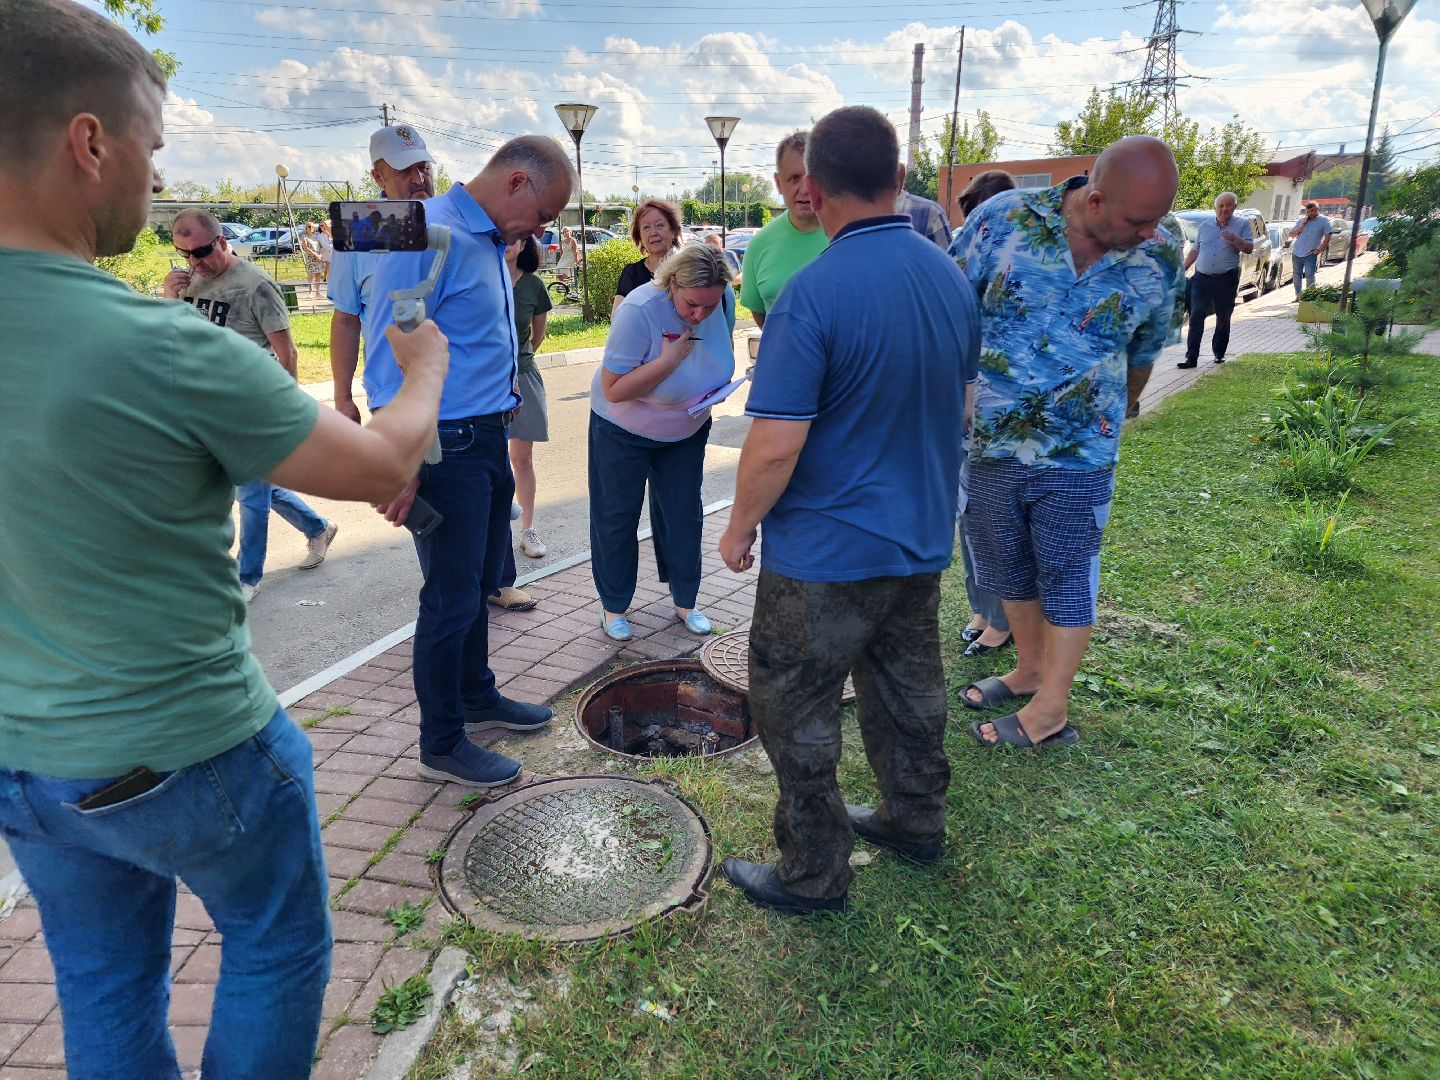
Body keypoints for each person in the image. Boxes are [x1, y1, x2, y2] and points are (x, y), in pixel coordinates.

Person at [0, 3, 451, 1075]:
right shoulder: (159, 344)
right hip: (189, 747)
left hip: (26, 762)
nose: (157, 180)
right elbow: (381, 467)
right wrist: (425, 366)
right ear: (90, 142)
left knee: (103, 985)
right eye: (152, 145)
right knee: (274, 940)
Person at [715, 105, 981, 915]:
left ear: (815, 190)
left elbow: (772, 445)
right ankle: (913, 818)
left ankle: (814, 873)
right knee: (908, 691)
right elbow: (964, 407)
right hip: (921, 538)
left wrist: (736, 527)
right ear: (899, 181)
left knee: (792, 706)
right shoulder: (950, 278)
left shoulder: (812, 295)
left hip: (826, 555)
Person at [950, 136, 1183, 749]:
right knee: (1005, 561)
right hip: (993, 438)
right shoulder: (1002, 221)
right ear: (1096, 198)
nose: (1149, 232)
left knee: (1067, 568)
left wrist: (1123, 406)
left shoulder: (1157, 256)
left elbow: (1145, 351)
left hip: (1082, 449)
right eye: (1137, 220)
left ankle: (1050, 708)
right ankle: (1029, 669)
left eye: (1157, 219)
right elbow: (946, 308)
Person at [367, 135, 576, 788]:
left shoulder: (485, 240)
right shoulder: (425, 231)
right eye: (543, 214)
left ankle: (478, 695)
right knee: (450, 598)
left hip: (485, 437)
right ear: (516, 182)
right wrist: (399, 458)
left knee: (479, 587)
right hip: (445, 446)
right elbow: (391, 346)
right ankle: (442, 742)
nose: (542, 229)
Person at [328, 125, 536, 612]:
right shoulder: (369, 227)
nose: (418, 177)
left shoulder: (452, 220)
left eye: (424, 166)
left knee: (486, 503)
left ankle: (494, 584)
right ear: (377, 174)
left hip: (471, 401)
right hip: (410, 399)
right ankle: (457, 610)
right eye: (404, 170)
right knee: (446, 554)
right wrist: (344, 395)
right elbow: (347, 318)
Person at [163, 208, 338, 603]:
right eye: (184, 253)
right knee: (250, 485)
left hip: (254, 407)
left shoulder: (255, 285)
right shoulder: (188, 283)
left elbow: (288, 352)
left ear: (223, 241)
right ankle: (318, 527)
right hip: (206, 406)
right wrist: (170, 298)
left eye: (203, 251)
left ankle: (248, 576)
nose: (195, 261)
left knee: (251, 494)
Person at [590, 244, 736, 642]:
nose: (700, 315)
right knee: (616, 516)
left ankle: (686, 600)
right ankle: (614, 607)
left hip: (686, 428)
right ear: (672, 283)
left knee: (684, 514)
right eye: (692, 305)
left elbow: (721, 351)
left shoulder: (720, 299)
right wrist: (668, 362)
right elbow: (614, 389)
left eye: (710, 305)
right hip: (623, 429)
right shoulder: (640, 310)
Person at [953, 169, 1018, 659]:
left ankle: (1001, 620)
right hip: (964, 400)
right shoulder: (968, 248)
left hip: (997, 405)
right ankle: (982, 609)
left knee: (992, 519)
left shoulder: (1020, 258)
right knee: (968, 516)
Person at [739, 132, 829, 328]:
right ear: (779, 183)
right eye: (795, 178)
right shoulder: (759, 245)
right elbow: (760, 314)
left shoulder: (849, 236)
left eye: (812, 177)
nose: (805, 189)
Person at [506, 235, 553, 559]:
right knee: (488, 460)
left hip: (523, 374)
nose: (508, 242)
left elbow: (537, 336)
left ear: (524, 245)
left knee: (522, 458)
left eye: (515, 238)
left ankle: (527, 530)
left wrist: (519, 364)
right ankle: (492, 530)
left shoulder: (534, 285)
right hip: (484, 380)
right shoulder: (482, 277)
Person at [1180, 191, 1252, 368]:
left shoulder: (1242, 224)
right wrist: (1181, 269)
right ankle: (1191, 358)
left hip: (1226, 278)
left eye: (1228, 205)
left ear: (1234, 207)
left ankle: (1219, 353)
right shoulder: (1205, 226)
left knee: (1223, 316)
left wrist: (1235, 239)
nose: (1224, 209)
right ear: (1215, 207)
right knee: (1196, 315)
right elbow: (1195, 251)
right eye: (1221, 205)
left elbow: (1249, 248)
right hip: (1201, 278)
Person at [614, 198, 683, 307]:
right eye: (646, 227)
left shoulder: (688, 268)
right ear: (640, 237)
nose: (653, 233)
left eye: (659, 225)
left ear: (674, 231)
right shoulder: (631, 273)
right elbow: (618, 318)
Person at [1289, 201, 1333, 299]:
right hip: (1297, 252)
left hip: (1310, 254)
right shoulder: (1302, 220)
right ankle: (1298, 296)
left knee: (1309, 275)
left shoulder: (1324, 221)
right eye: (1308, 211)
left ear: (1318, 209)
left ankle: (1309, 297)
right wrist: (1302, 225)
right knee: (1296, 275)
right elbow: (1292, 234)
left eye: (1313, 211)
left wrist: (1319, 250)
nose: (1310, 213)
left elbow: (1328, 236)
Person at [300, 219, 325, 298]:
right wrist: (315, 255)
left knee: (318, 275)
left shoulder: (316, 237)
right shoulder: (304, 237)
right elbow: (306, 248)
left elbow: (321, 247)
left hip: (318, 258)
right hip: (311, 258)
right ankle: (311, 292)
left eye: (312, 227)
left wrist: (320, 255)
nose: (311, 228)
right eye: (309, 226)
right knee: (311, 276)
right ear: (306, 228)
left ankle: (317, 292)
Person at [317, 218, 334, 282]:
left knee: (331, 267)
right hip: (327, 253)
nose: (322, 227)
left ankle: (326, 277)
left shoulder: (331, 233)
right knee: (328, 266)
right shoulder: (320, 236)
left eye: (323, 225)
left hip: (334, 252)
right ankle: (327, 278)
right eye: (321, 226)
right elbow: (325, 246)